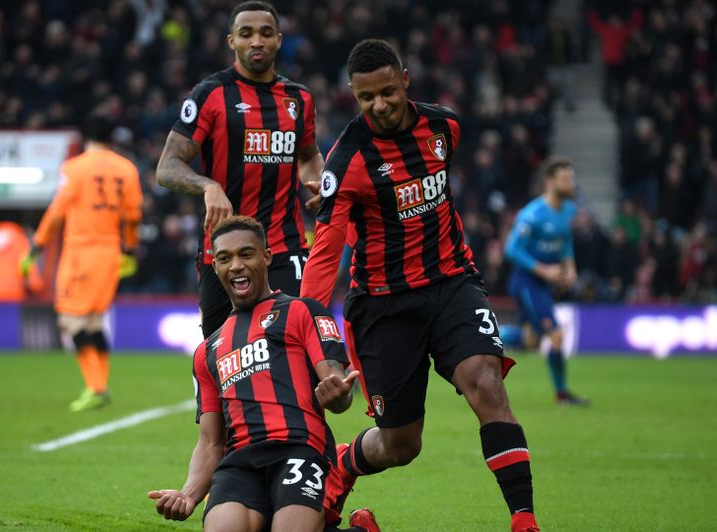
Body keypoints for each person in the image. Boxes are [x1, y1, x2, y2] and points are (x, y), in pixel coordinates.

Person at [300, 39, 540, 532]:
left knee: (487, 385)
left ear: (405, 79)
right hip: (385, 308)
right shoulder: (346, 161)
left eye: (388, 92)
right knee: (401, 445)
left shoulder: (444, 126)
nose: (379, 105)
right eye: (366, 98)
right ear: (353, 94)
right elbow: (326, 252)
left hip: (453, 282)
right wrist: (306, 324)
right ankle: (343, 466)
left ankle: (524, 520)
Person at [148, 216, 379, 532]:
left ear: (267, 257)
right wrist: (189, 495)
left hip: (300, 450)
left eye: (246, 254)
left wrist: (339, 395)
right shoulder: (208, 350)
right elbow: (211, 442)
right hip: (240, 465)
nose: (236, 266)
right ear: (215, 267)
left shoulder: (302, 311)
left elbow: (334, 384)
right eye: (225, 258)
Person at [156, 1, 325, 339]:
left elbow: (308, 154)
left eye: (265, 33)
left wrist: (318, 180)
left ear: (278, 40)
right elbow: (167, 166)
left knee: (293, 345)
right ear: (232, 41)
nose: (256, 41)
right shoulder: (210, 94)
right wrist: (208, 186)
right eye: (246, 34)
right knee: (223, 356)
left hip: (283, 246)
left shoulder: (299, 99)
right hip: (221, 250)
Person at [25, 115, 143, 412]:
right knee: (92, 319)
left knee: (70, 319)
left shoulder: (74, 168)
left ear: (85, 137)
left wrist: (36, 246)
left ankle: (95, 386)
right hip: (111, 253)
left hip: (81, 251)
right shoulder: (127, 169)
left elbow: (56, 212)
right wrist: (129, 251)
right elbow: (133, 216)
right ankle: (100, 386)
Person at [504, 157, 589, 406]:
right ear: (551, 182)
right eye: (565, 179)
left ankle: (490, 335)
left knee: (530, 340)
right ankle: (562, 395)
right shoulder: (532, 214)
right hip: (527, 283)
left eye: (571, 178)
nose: (571, 183)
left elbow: (565, 242)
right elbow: (512, 249)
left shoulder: (568, 211)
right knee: (557, 336)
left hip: (543, 284)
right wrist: (545, 271)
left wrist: (570, 268)